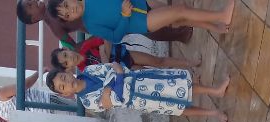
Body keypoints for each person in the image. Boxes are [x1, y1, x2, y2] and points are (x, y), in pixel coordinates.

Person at [46, 63, 230, 122]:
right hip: (140, 100)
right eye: (62, 87)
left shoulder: (89, 70)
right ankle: (213, 113)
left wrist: (111, 86)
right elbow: (116, 99)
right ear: (65, 94)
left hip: (141, 79)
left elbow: (115, 66)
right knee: (178, 107)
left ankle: (216, 91)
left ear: (67, 72)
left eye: (63, 78)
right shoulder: (87, 102)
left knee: (181, 85)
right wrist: (115, 81)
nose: (67, 83)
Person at [47, 0, 235, 43]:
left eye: (66, 5)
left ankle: (216, 27)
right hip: (142, 21)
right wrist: (125, 16)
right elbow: (115, 37)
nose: (71, 10)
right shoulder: (90, 25)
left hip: (142, 2)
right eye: (67, 15)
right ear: (69, 20)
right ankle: (222, 16)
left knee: (181, 18)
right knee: (180, 10)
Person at [17, 0, 194, 45]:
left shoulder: (53, 3)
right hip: (103, 23)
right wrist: (97, 38)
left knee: (143, 7)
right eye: (30, 5)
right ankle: (180, 34)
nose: (33, 1)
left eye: (30, 1)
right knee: (144, 26)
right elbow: (73, 47)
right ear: (34, 19)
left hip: (101, 6)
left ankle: (177, 16)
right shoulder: (55, 28)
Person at [0, 74, 74, 122]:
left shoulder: (0, 113)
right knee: (76, 108)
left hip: (44, 119)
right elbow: (24, 85)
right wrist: (39, 72)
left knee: (75, 119)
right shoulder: (1, 94)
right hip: (45, 103)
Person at [50, 39, 196, 72]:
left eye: (66, 55)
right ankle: (189, 78)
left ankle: (190, 63)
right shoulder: (85, 71)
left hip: (126, 55)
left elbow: (106, 41)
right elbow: (106, 71)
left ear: (66, 49)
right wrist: (103, 53)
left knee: (159, 61)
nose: (70, 59)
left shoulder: (86, 47)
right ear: (68, 68)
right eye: (66, 63)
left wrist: (105, 59)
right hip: (126, 71)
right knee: (155, 74)